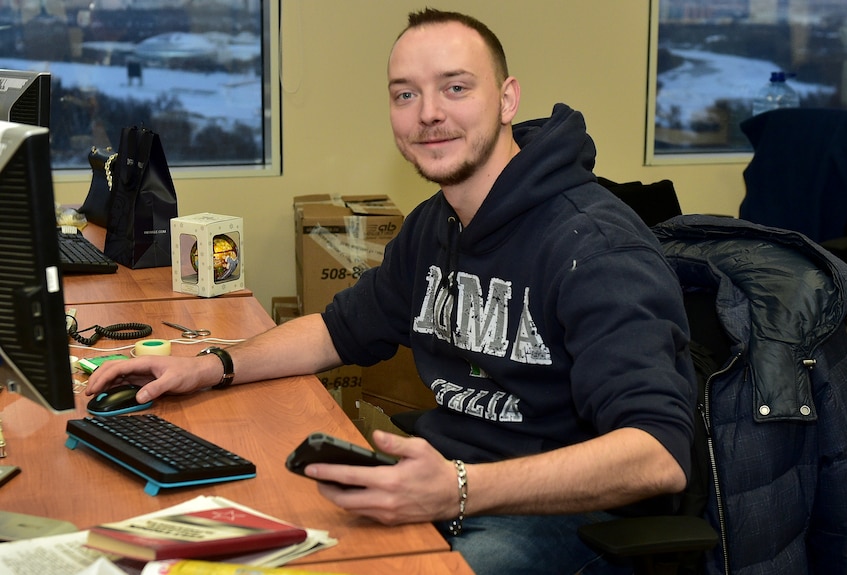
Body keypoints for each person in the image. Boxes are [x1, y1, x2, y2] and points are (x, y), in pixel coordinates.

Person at [88, 9, 696, 574]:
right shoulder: (437, 222)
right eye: (406, 94)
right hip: (446, 487)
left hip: (559, 517)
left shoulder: (595, 248)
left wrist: (460, 486)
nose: (428, 112)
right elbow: (338, 330)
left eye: (456, 88)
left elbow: (657, 456)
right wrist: (213, 364)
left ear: (508, 98)